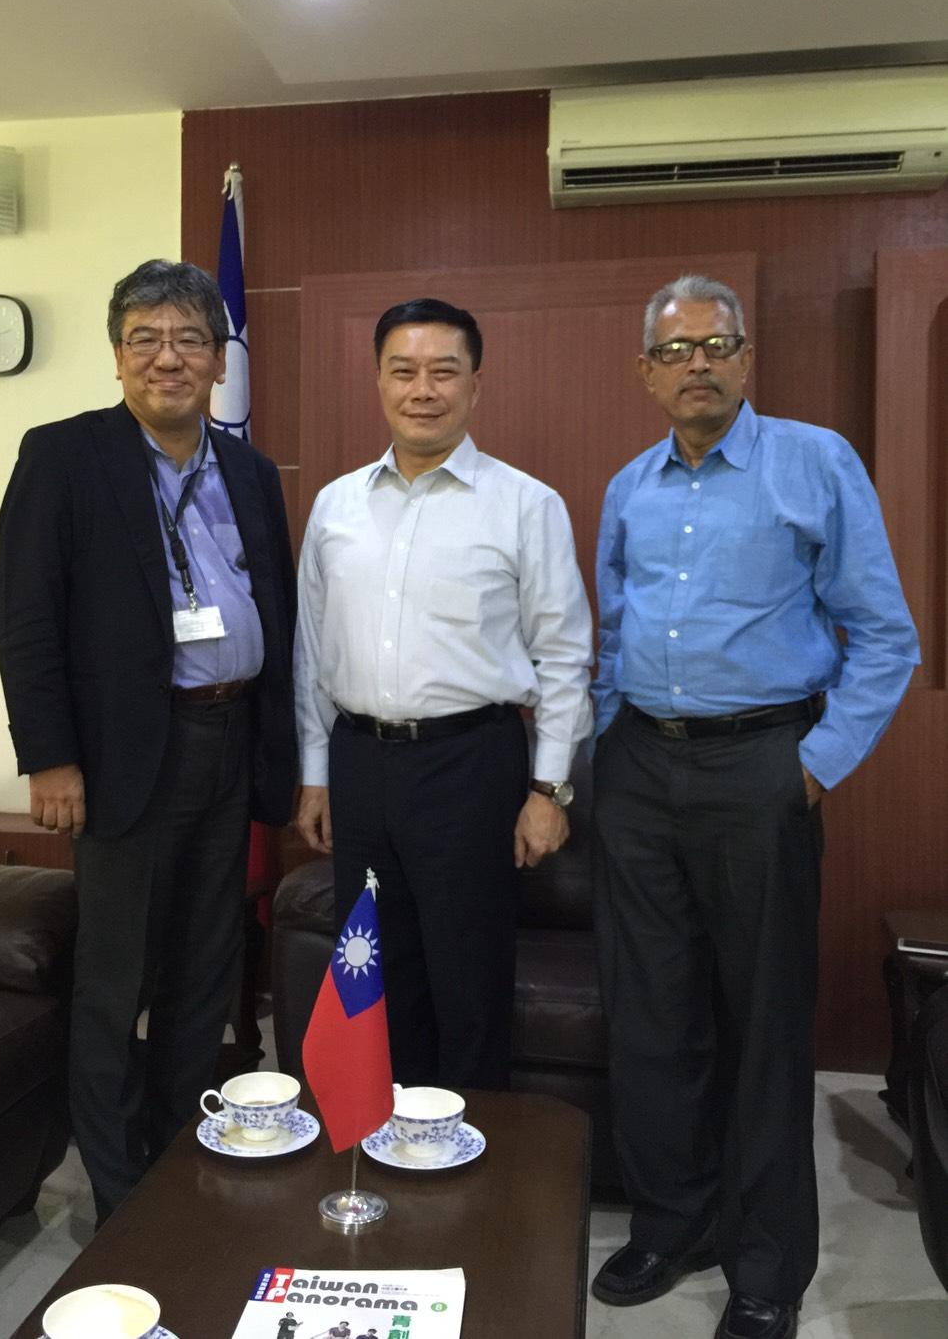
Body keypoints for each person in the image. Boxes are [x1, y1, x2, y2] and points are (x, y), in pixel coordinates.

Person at [589, 274, 919, 1339]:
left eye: (717, 343)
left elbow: (885, 635)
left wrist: (814, 762)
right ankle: (671, 1221)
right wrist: (598, 751)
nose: (698, 363)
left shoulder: (814, 461)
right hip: (639, 770)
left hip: (760, 770)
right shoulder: (627, 485)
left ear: (746, 358)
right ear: (644, 371)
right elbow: (610, 631)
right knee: (652, 1020)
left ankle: (766, 1263)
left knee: (764, 1027)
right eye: (676, 349)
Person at [0, 259, 296, 1224]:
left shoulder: (248, 469)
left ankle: (178, 1159)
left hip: (228, 739)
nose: (168, 358)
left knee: (205, 974)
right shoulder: (66, 455)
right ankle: (119, 1192)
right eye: (146, 339)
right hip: (123, 758)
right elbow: (26, 617)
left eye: (189, 340)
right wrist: (50, 757)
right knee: (115, 979)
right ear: (118, 355)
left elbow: (277, 611)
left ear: (217, 359)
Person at [294, 297, 593, 1088]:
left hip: (472, 766)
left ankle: (470, 1178)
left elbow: (565, 655)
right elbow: (312, 653)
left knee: (469, 982)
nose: (422, 389)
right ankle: (386, 1155)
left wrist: (548, 789)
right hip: (361, 765)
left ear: (475, 385)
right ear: (378, 381)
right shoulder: (336, 506)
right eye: (403, 370)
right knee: (376, 978)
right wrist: (316, 772)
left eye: (443, 371)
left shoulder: (526, 505)